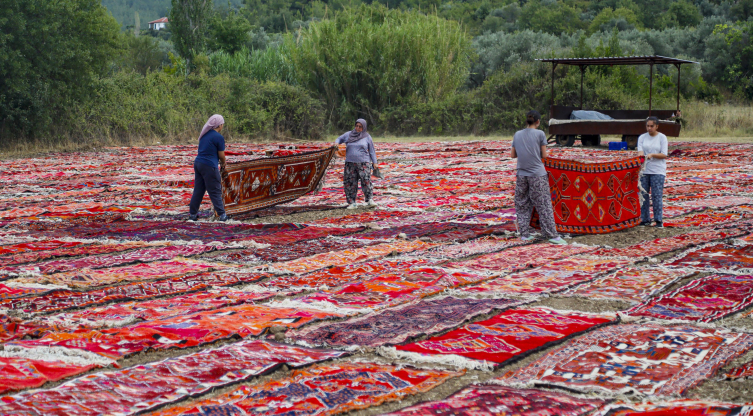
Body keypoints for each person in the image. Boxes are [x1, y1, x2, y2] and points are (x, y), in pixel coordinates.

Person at [511, 110, 567, 245]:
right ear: (538, 122)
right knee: (543, 205)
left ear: (526, 121)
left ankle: (525, 234)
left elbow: (513, 155)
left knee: (522, 203)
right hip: (537, 174)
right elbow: (544, 155)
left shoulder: (517, 134)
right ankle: (551, 235)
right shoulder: (540, 134)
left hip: (521, 174)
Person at [189, 114, 228, 222]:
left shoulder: (204, 135)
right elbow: (221, 155)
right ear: (219, 124)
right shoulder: (218, 137)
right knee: (215, 190)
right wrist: (223, 163)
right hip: (209, 166)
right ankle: (222, 215)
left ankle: (193, 214)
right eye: (222, 124)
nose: (222, 126)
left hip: (198, 164)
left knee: (198, 190)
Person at [335, 118, 378, 209]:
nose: (358, 128)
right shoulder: (349, 135)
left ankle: (369, 200)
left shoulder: (367, 137)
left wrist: (375, 162)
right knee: (350, 182)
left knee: (366, 180)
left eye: (360, 127)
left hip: (364, 163)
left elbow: (372, 151)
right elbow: (339, 138)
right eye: (357, 126)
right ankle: (352, 202)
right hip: (350, 163)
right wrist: (336, 143)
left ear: (364, 127)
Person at [637, 116, 668, 227]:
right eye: (647, 126)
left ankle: (658, 220)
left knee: (656, 195)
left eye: (651, 126)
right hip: (644, 170)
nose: (649, 128)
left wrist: (652, 155)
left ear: (656, 126)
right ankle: (645, 219)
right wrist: (641, 156)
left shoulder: (662, 138)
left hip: (657, 171)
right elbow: (640, 151)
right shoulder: (642, 137)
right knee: (643, 195)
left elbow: (664, 154)